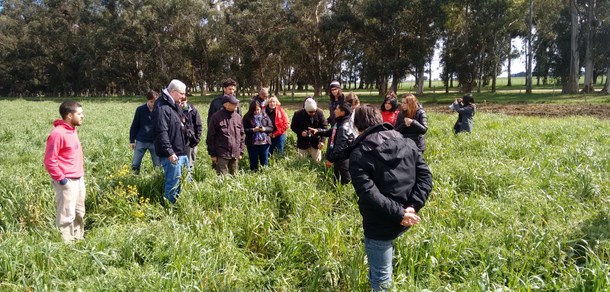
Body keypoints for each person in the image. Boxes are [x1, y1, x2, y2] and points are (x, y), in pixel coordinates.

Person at [347, 105, 433, 291]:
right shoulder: (407, 141)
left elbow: (369, 194)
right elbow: (426, 177)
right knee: (382, 266)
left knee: (381, 278)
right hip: (404, 217)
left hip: (380, 223)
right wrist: (412, 206)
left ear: (357, 126)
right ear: (378, 119)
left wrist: (402, 212)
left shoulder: (359, 153)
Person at [44, 101, 86, 243]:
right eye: (79, 114)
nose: (82, 116)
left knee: (79, 212)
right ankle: (66, 246)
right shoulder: (57, 134)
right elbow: (50, 161)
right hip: (67, 180)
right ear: (69, 115)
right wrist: (63, 180)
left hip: (78, 178)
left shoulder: (72, 130)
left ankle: (78, 241)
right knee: (66, 215)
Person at [153, 79, 190, 204]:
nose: (183, 97)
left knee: (185, 181)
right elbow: (161, 132)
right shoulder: (162, 107)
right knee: (173, 183)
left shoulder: (173, 104)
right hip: (172, 154)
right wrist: (169, 152)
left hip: (181, 151)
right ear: (173, 91)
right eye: (181, 93)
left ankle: (183, 204)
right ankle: (170, 208)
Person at [310, 101, 355, 184]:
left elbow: (339, 147)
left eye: (337, 109)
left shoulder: (344, 127)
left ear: (342, 112)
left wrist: (330, 160)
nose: (334, 111)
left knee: (345, 181)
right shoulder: (340, 122)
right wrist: (318, 131)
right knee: (336, 180)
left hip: (343, 160)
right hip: (338, 158)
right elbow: (331, 131)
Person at [207, 94, 245, 175]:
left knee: (235, 178)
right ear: (226, 105)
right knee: (222, 180)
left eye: (236, 103)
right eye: (233, 103)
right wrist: (212, 154)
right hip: (221, 154)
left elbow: (242, 135)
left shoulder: (238, 117)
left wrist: (241, 151)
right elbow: (210, 137)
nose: (236, 105)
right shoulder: (216, 117)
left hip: (235, 155)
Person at [129, 90, 161, 174]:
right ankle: (133, 179)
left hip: (155, 142)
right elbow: (134, 125)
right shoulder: (140, 110)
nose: (153, 104)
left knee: (158, 165)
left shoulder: (159, 110)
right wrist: (132, 140)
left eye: (155, 102)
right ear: (147, 100)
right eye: (151, 102)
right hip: (141, 141)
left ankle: (157, 180)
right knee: (135, 164)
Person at [290, 97, 328, 162]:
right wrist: (301, 132)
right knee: (301, 162)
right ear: (305, 109)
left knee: (317, 162)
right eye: (310, 112)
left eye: (314, 112)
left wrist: (322, 141)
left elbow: (324, 128)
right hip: (302, 142)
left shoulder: (320, 113)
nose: (313, 113)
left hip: (316, 142)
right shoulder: (298, 114)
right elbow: (293, 127)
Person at [243, 100, 274, 171]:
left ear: (261, 108)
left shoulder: (265, 116)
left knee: (265, 162)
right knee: (253, 162)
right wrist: (253, 130)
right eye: (254, 110)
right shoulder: (247, 117)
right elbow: (243, 130)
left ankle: (265, 176)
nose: (256, 112)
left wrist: (264, 129)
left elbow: (271, 127)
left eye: (258, 109)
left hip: (264, 143)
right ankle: (254, 175)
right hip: (252, 143)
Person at [180, 94, 203, 171]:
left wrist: (196, 139)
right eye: (179, 102)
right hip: (179, 141)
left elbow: (198, 126)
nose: (181, 105)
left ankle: (190, 180)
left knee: (190, 163)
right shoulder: (175, 110)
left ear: (186, 100)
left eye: (183, 102)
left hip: (191, 141)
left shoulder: (193, 111)